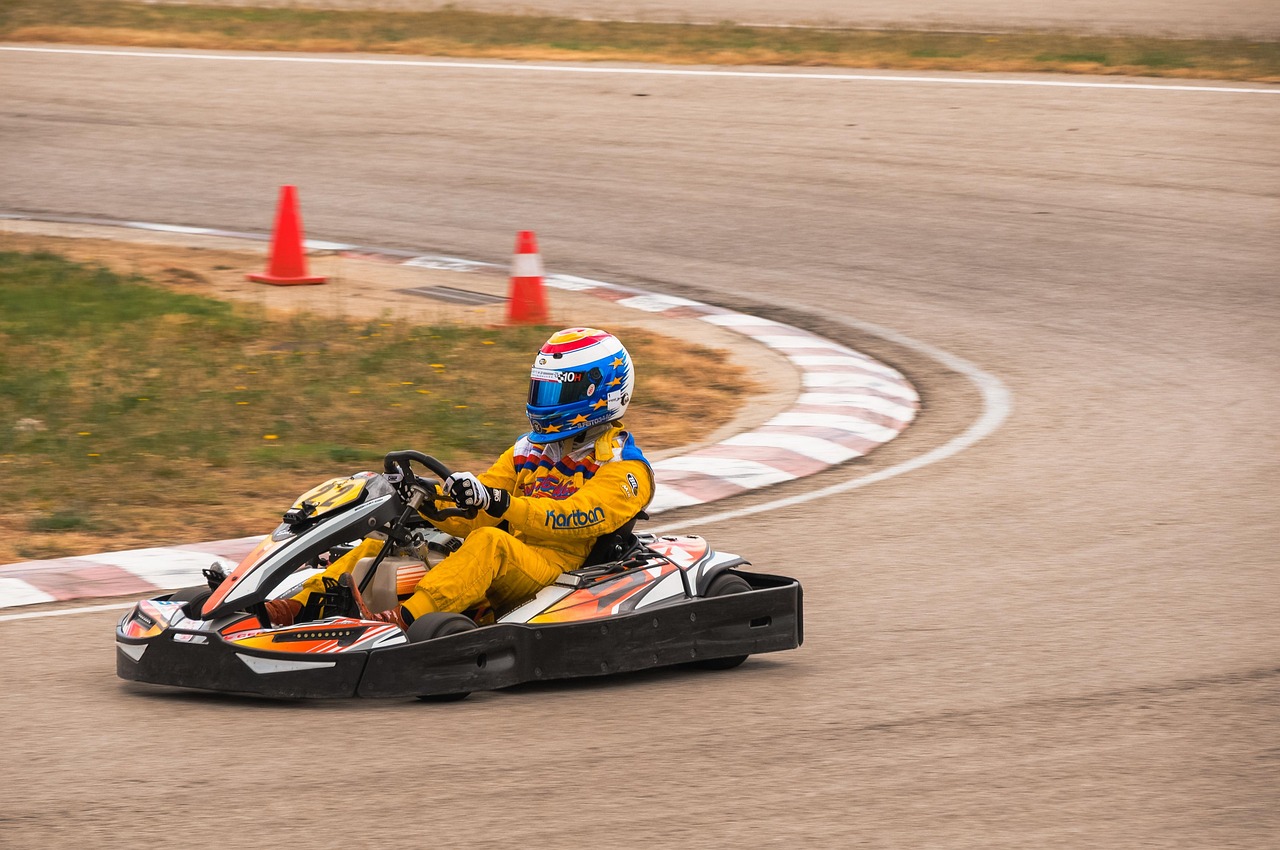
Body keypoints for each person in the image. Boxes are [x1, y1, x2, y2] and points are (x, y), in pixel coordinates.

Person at [265, 327, 654, 628]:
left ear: (597, 392)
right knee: (394, 535)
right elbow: (478, 511)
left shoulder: (625, 467)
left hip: (559, 570)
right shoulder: (529, 450)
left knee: (490, 542)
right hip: (515, 554)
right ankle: (296, 606)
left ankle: (406, 620)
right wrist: (430, 499)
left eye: (555, 392)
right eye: (541, 389)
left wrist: (501, 504)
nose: (542, 402)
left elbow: (574, 516)